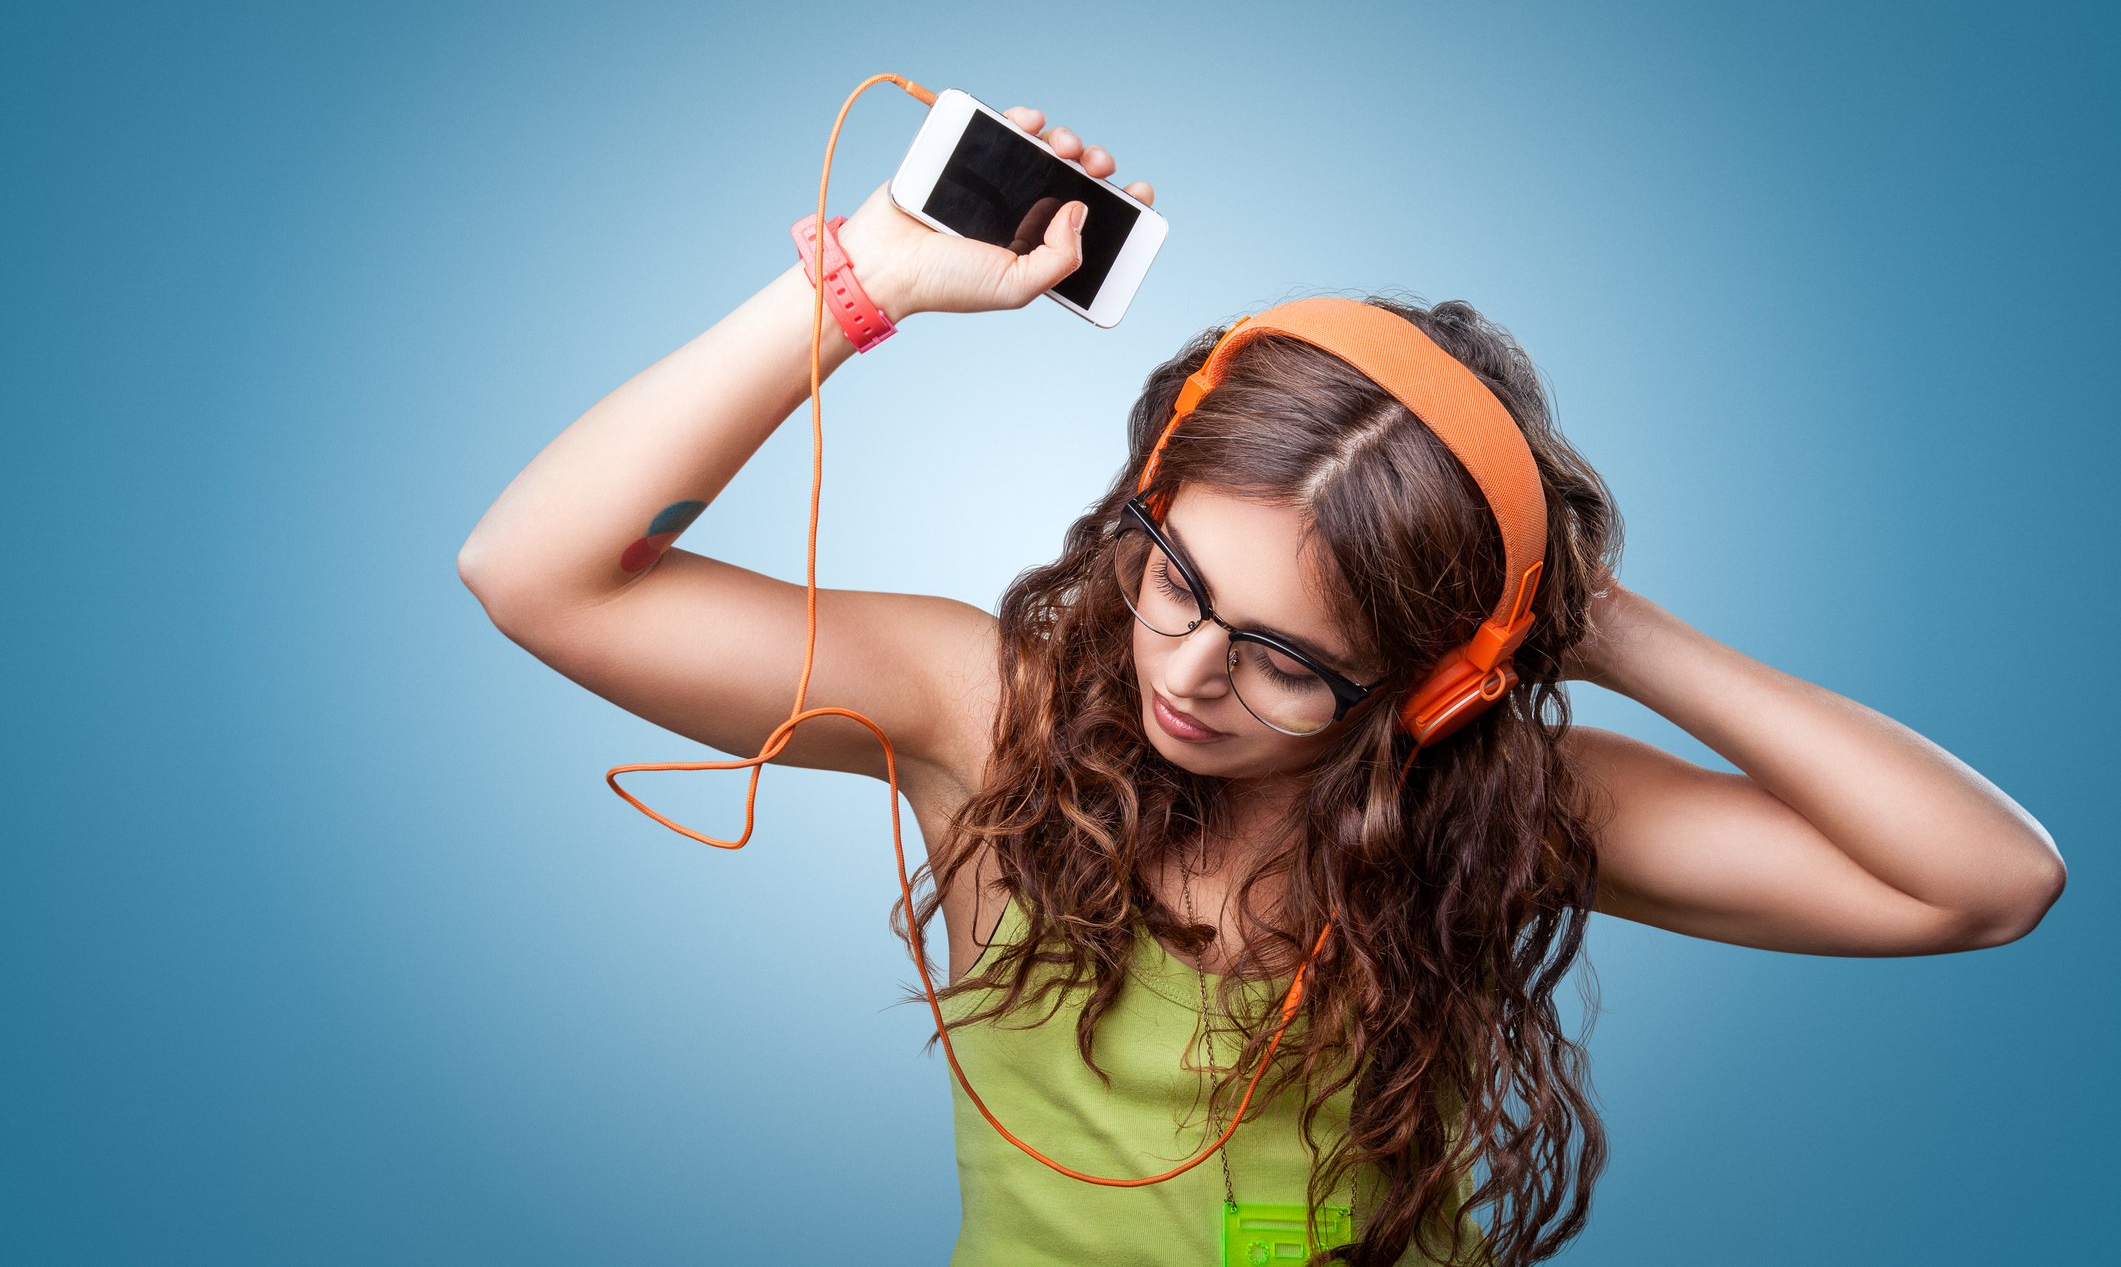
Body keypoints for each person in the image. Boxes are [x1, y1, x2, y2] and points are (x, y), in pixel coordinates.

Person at [455, 104, 2069, 1267]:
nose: (1189, 672)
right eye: (1178, 580)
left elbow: (1985, 883)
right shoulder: (986, 714)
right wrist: (862, 280)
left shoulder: (1498, 797)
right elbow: (536, 571)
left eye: (1290, 658)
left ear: (1434, 677)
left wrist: (1597, 623)